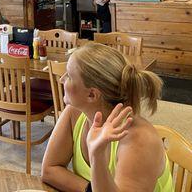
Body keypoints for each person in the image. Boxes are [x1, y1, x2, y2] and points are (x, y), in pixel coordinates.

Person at [41, 43, 173, 192]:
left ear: (92, 94)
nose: (62, 79)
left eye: (69, 76)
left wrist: (97, 156)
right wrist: (91, 189)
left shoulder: (139, 139)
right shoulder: (74, 113)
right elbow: (49, 170)